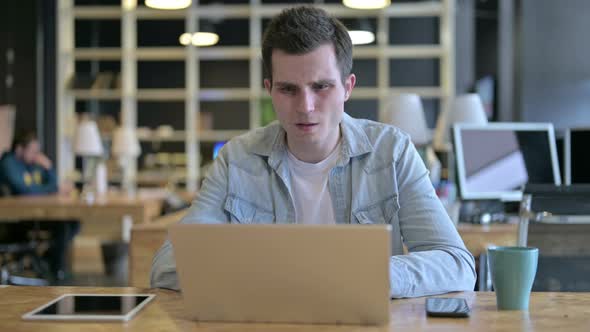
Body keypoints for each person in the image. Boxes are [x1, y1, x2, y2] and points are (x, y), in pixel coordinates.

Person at [151, 6, 475, 298]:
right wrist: (288, 279)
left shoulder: (392, 152)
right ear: (270, 91)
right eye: (288, 89)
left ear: (347, 87)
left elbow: (456, 263)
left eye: (321, 87)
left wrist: (371, 276)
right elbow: (167, 266)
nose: (305, 107)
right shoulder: (236, 160)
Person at [0, 130, 79, 281]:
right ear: (19, 149)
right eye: (32, 151)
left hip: (29, 215)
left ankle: (47, 261)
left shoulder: (29, 165)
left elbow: (49, 185)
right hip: (13, 221)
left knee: (72, 222)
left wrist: (48, 167)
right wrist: (53, 189)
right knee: (62, 227)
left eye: (37, 151)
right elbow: (26, 190)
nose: (36, 155)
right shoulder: (8, 164)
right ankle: (54, 269)